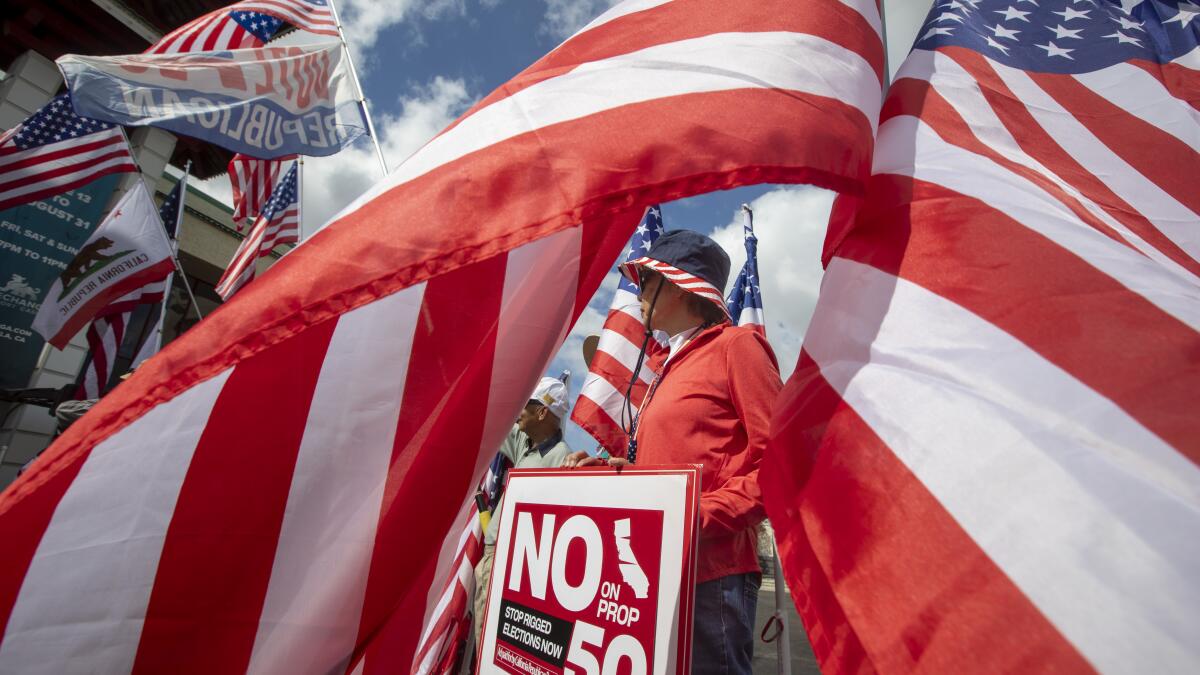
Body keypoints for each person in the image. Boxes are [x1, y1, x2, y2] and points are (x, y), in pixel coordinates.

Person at [566, 229, 782, 675]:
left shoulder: (736, 347)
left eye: (647, 280)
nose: (638, 291)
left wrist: (695, 514)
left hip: (711, 573)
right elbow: (672, 465)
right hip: (655, 567)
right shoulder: (668, 366)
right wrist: (614, 471)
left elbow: (781, 464)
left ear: (679, 284)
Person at [472, 376, 575, 640]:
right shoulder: (525, 444)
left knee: (489, 642)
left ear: (542, 412)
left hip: (514, 562)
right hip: (496, 555)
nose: (518, 410)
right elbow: (496, 416)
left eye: (525, 404)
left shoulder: (563, 459)